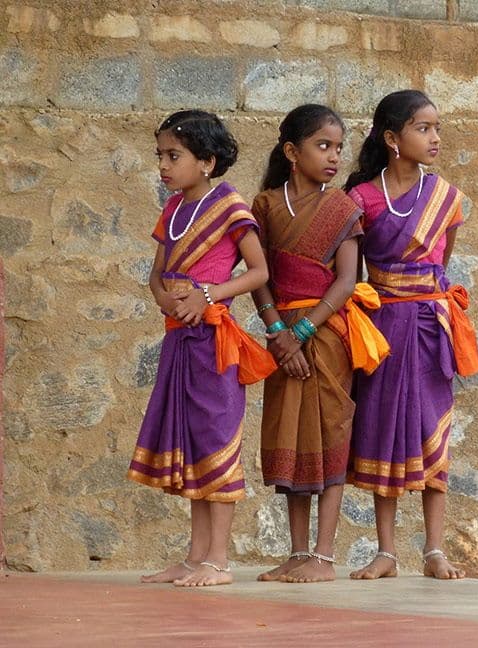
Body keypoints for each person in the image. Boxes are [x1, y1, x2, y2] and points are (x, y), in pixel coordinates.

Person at [127, 110, 275, 587]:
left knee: (216, 438)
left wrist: (208, 294)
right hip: (178, 338)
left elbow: (258, 272)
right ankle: (194, 557)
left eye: (175, 156)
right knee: (190, 441)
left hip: (214, 342)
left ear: (207, 162)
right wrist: (163, 297)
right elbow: (157, 272)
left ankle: (218, 560)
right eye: (161, 156)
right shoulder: (172, 210)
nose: (164, 166)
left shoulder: (230, 205)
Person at [343, 90, 478, 581]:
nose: (435, 137)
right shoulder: (360, 199)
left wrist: (422, 299)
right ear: (392, 139)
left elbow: (441, 262)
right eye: (423, 128)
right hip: (381, 330)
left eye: (436, 128)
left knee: (431, 429)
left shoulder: (447, 198)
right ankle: (386, 552)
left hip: (428, 327)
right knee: (384, 427)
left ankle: (434, 550)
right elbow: (351, 272)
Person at [251, 104, 389, 583]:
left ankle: (324, 556)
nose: (333, 157)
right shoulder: (265, 205)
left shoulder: (343, 209)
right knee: (290, 434)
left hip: (326, 334)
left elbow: (348, 280)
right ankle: (296, 552)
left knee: (331, 431)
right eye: (322, 146)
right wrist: (276, 332)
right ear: (292, 151)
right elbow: (260, 275)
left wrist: (303, 332)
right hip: (280, 336)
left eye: (337, 147)